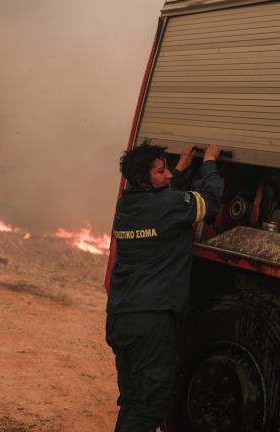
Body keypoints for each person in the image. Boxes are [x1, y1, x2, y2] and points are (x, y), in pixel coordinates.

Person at [106, 142, 224, 431]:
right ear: (144, 180)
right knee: (149, 407)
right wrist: (209, 163)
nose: (169, 175)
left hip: (122, 318)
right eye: (162, 171)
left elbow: (163, 203)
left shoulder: (126, 205)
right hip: (151, 321)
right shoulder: (168, 205)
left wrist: (180, 168)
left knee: (133, 400)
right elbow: (209, 201)